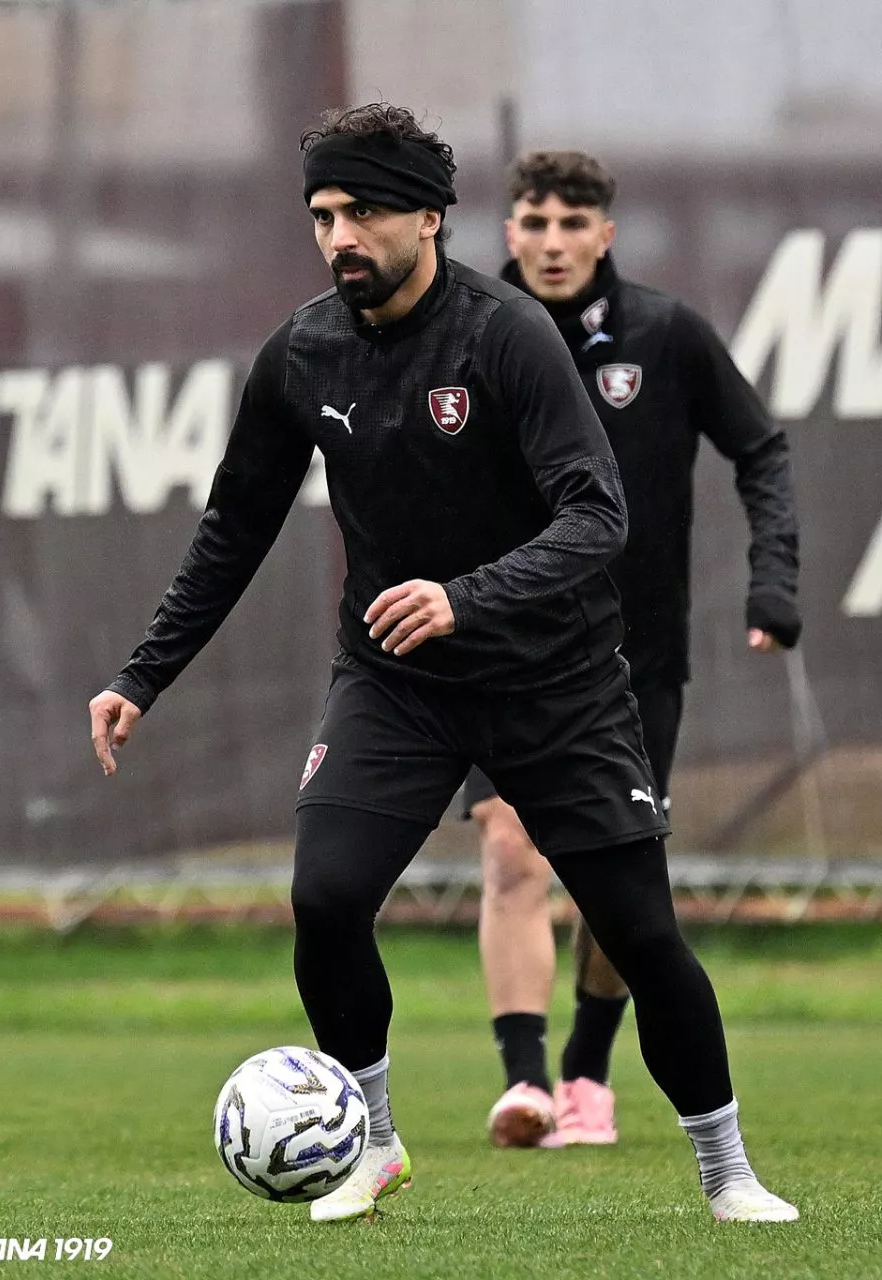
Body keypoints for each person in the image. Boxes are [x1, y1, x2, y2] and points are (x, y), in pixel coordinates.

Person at [88, 103, 796, 1224]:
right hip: (396, 685)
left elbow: (597, 514)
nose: (338, 236)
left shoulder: (509, 336)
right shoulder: (301, 352)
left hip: (556, 686)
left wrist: (466, 597)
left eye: (362, 210)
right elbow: (234, 528)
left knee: (641, 932)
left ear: (429, 215)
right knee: (324, 897)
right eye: (322, 214)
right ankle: (369, 1142)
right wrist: (142, 674)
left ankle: (728, 1170)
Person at [472, 151, 801, 1150]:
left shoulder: (665, 334)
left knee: (619, 881)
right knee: (512, 850)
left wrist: (774, 580)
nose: (553, 241)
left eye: (575, 223)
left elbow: (763, 448)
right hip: (495, 647)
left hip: (631, 659)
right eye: (535, 222)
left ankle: (585, 1069)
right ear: (512, 229)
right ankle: (527, 1084)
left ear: (606, 234)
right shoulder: (469, 331)